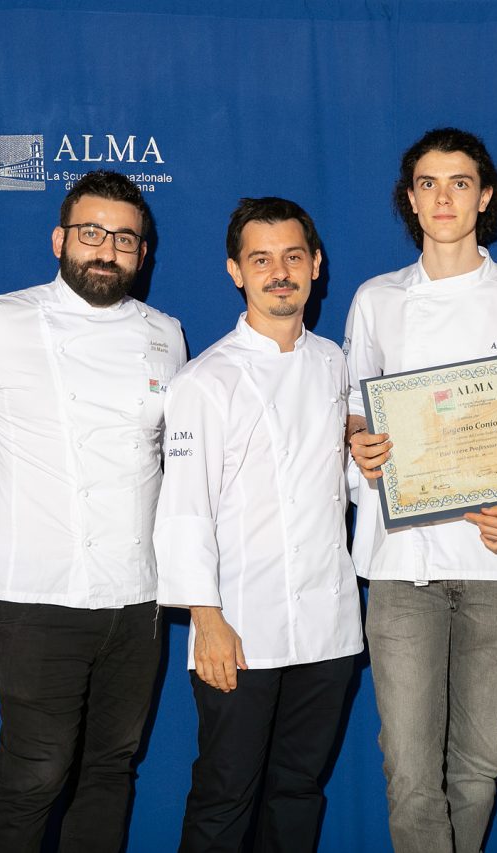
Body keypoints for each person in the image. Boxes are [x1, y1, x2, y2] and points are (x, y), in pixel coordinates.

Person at [346, 127, 497, 853]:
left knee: (478, 766)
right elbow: (354, 411)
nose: (444, 197)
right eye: (429, 184)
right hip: (402, 560)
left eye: (460, 182)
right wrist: (361, 446)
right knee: (409, 769)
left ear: (485, 195)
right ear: (410, 199)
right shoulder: (376, 301)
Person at [0, 170, 186, 852]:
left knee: (110, 769)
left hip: (136, 595)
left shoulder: (165, 333)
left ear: (141, 253)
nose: (106, 249)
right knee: (33, 772)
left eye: (124, 238)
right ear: (61, 238)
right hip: (37, 592)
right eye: (91, 233)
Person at [156, 197, 362, 851]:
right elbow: (184, 505)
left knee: (298, 793)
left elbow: (345, 483)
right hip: (240, 626)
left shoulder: (336, 363)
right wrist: (206, 616)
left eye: (293, 257)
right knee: (225, 795)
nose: (280, 272)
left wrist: (377, 460)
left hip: (327, 627)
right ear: (235, 271)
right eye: (262, 259)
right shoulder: (204, 379)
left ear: (316, 266)